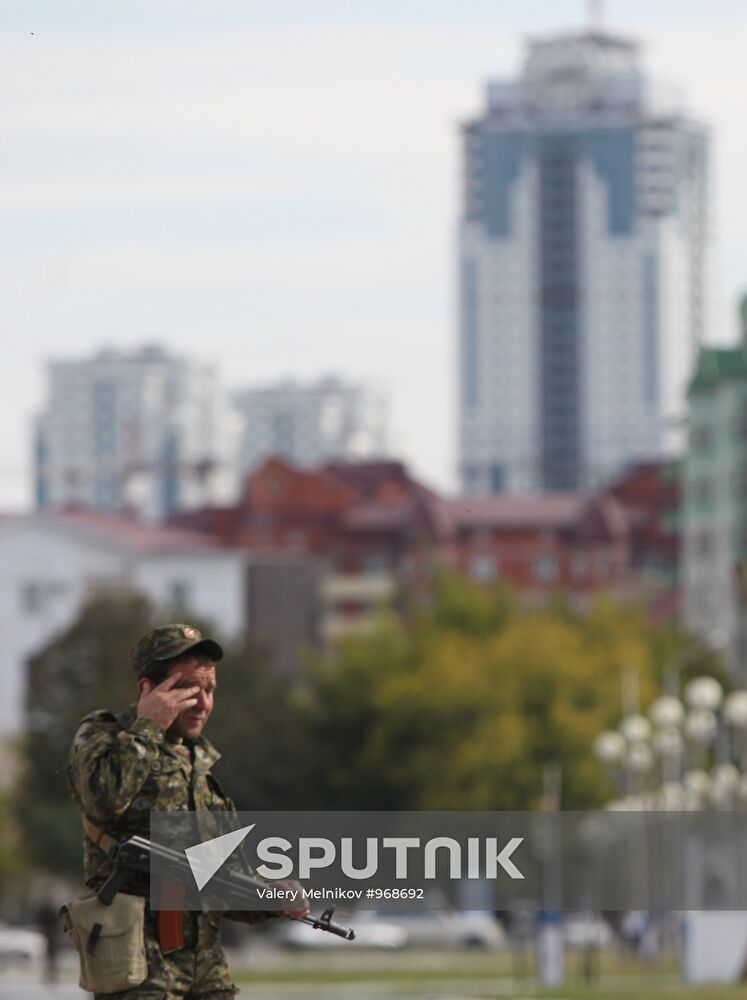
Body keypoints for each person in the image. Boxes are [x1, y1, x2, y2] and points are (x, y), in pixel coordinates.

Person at [67, 622, 308, 999]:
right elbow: (104, 799)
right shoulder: (104, 737)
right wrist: (149, 725)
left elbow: (224, 878)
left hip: (203, 963)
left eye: (209, 690)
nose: (202, 703)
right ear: (148, 689)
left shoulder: (198, 765)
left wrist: (272, 898)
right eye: (187, 689)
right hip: (138, 964)